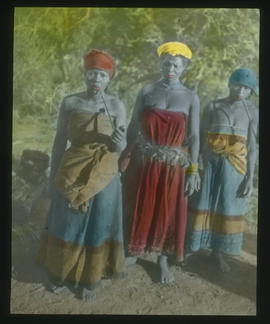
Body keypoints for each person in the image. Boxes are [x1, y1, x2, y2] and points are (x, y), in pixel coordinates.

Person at [35, 49, 127, 301]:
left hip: (105, 174)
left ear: (109, 79)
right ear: (85, 76)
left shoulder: (117, 105)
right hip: (72, 168)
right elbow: (58, 142)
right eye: (92, 74)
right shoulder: (71, 102)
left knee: (99, 224)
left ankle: (91, 279)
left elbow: (121, 147)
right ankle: (60, 272)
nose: (96, 80)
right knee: (68, 222)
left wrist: (119, 142)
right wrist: (52, 177)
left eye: (102, 75)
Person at [120, 41, 201, 283]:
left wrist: (193, 170)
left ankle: (163, 259)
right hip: (145, 160)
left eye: (176, 65)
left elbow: (195, 137)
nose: (171, 69)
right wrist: (123, 158)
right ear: (159, 63)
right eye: (166, 63)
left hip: (174, 165)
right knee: (139, 203)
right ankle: (134, 250)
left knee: (169, 209)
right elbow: (134, 127)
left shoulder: (191, 97)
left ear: (184, 68)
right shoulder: (147, 91)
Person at [185, 68, 259, 272]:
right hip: (210, 163)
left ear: (251, 91)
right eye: (237, 85)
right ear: (229, 84)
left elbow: (253, 147)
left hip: (236, 167)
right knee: (203, 202)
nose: (240, 91)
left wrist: (250, 178)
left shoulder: (252, 111)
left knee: (227, 207)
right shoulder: (214, 106)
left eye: (246, 88)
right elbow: (199, 137)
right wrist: (195, 165)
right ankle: (191, 248)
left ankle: (218, 253)